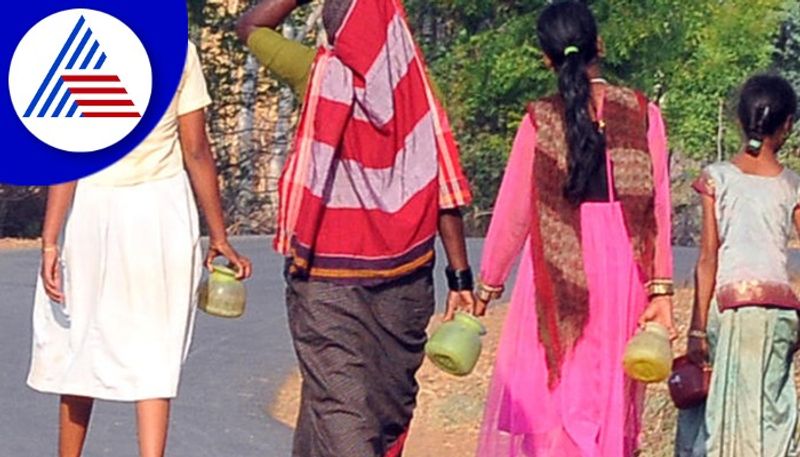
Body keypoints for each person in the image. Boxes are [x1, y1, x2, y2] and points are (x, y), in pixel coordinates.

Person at [236, 1, 476, 456]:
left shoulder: (315, 74)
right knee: (375, 415)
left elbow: (249, 23)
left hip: (329, 279)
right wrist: (459, 275)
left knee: (340, 410)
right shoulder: (416, 88)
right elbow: (443, 180)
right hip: (405, 280)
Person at [28, 42, 252, 457]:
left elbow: (68, 153)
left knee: (82, 341)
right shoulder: (178, 52)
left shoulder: (86, 47)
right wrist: (218, 235)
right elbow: (196, 149)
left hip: (93, 207)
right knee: (155, 350)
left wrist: (49, 242)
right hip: (161, 211)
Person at [473, 2, 675, 455]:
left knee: (560, 390)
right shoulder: (643, 113)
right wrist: (660, 291)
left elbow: (512, 215)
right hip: (624, 271)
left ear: (547, 58)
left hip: (556, 265)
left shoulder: (540, 120)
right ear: (598, 45)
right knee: (608, 397)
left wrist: (486, 288)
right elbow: (657, 210)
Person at [675, 74, 800, 457]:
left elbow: (708, 259)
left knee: (724, 410)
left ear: (739, 121)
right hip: (779, 310)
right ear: (788, 126)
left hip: (730, 309)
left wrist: (696, 329)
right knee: (772, 408)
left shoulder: (718, 179)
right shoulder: (792, 185)